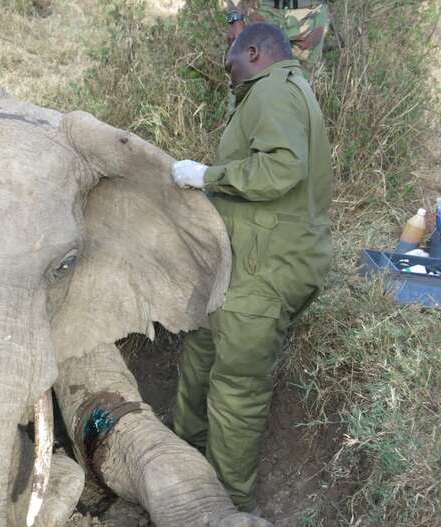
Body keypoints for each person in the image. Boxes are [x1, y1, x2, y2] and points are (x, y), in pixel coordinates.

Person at [169, 23, 332, 513]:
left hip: (265, 270)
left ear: (255, 53)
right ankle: (182, 462)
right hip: (247, 263)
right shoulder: (280, 90)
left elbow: (282, 169)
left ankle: (224, 507)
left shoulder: (273, 91)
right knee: (200, 353)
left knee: (237, 387)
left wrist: (208, 176)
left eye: (231, 64)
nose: (229, 75)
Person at [225, 0, 331, 80]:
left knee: (299, 94)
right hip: (261, 13)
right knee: (247, 89)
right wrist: (235, 18)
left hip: (310, 17)